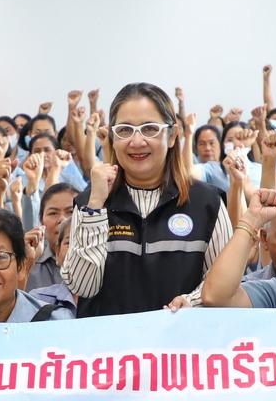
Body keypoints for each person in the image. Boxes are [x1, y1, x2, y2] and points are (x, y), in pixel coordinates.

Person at [65, 82, 231, 316]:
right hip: (108, 339)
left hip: (181, 337)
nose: (136, 142)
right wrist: (95, 208)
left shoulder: (207, 203)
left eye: (150, 129)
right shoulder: (89, 203)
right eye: (125, 130)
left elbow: (224, 285)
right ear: (112, 137)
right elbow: (82, 286)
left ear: (172, 136)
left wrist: (191, 302)